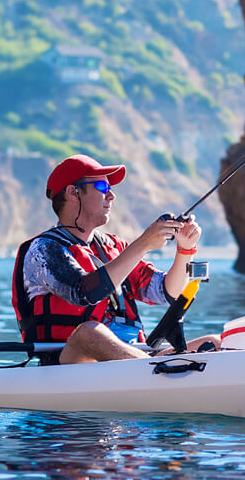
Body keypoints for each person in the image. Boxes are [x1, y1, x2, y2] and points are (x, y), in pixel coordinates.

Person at [11, 153, 217, 364]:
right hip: (69, 362)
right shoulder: (43, 249)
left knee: (214, 341)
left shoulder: (115, 247)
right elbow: (84, 292)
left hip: (132, 358)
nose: (111, 196)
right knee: (89, 332)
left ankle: (156, 369)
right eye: (102, 187)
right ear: (73, 192)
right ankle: (157, 370)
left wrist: (185, 248)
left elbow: (166, 292)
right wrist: (144, 243)